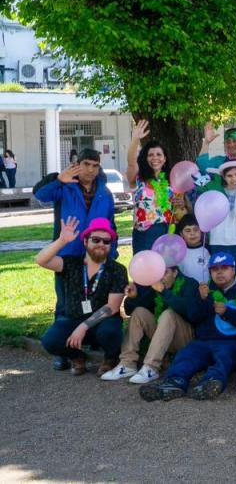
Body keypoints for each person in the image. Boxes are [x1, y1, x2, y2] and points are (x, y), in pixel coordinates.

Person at [33, 149, 118, 371]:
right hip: (68, 254)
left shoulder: (105, 193)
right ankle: (68, 353)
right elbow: (40, 195)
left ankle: (98, 343)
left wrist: (112, 254)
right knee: (64, 303)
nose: (91, 169)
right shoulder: (64, 187)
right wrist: (57, 180)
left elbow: (111, 224)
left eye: (95, 165)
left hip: (96, 253)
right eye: (87, 164)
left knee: (99, 301)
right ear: (77, 164)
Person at [140, 252, 236, 401]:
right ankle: (174, 382)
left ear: (233, 270)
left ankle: (211, 383)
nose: (219, 272)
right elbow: (193, 317)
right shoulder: (206, 290)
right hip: (204, 340)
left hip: (233, 341)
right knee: (187, 355)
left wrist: (227, 312)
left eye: (224, 268)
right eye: (214, 269)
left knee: (225, 357)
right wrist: (201, 300)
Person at [37, 217, 128, 376]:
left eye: (106, 241)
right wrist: (62, 240)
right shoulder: (70, 263)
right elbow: (41, 260)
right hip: (73, 319)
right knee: (50, 340)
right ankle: (77, 357)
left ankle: (110, 358)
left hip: (102, 321)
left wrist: (83, 327)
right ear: (85, 242)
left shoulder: (117, 270)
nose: (101, 244)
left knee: (110, 332)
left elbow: (112, 307)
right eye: (96, 239)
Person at [102, 261, 201, 385]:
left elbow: (191, 312)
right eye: (158, 273)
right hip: (164, 338)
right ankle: (127, 364)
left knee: (168, 314)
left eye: (165, 273)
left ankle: (151, 367)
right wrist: (134, 297)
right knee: (139, 312)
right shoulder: (155, 287)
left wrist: (164, 292)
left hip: (186, 340)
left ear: (175, 273)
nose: (161, 277)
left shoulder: (190, 284)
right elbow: (129, 311)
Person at [126, 120, 183, 252]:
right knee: (147, 271)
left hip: (168, 230)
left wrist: (180, 203)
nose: (155, 158)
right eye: (150, 155)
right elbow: (131, 163)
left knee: (167, 271)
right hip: (146, 233)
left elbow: (178, 209)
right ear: (145, 158)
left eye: (159, 154)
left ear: (164, 159)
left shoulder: (172, 181)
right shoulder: (138, 178)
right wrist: (135, 140)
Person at [196, 124, 236, 192]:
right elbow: (202, 167)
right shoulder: (219, 161)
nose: (231, 144)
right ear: (224, 144)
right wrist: (206, 143)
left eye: (235, 141)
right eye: (228, 142)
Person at [175, 213, 212, 283]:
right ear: (181, 234)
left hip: (206, 289)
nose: (192, 233)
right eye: (188, 231)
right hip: (187, 291)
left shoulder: (208, 249)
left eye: (196, 229)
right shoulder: (179, 251)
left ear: (201, 231)